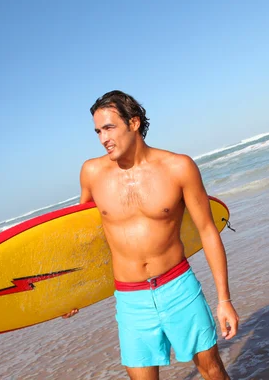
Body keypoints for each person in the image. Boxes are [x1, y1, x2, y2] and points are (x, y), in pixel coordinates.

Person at [63, 90, 239, 380]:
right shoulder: (92, 173)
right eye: (97, 131)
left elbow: (208, 231)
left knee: (212, 370)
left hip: (179, 287)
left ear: (133, 123)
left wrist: (224, 300)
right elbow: (85, 240)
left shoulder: (178, 167)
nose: (103, 138)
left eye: (109, 128)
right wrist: (69, 293)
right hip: (131, 300)